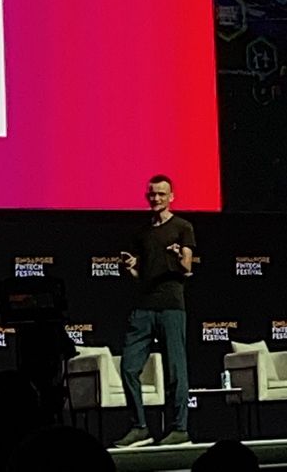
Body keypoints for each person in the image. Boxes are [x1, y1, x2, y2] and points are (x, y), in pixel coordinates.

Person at [113, 174, 196, 448]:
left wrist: (178, 256)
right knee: (128, 367)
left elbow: (187, 267)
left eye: (161, 194)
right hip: (143, 308)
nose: (156, 198)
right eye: (152, 194)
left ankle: (180, 429)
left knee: (175, 371)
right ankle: (140, 427)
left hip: (171, 305)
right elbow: (141, 275)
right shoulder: (142, 233)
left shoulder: (183, 227)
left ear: (171, 197)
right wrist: (132, 268)